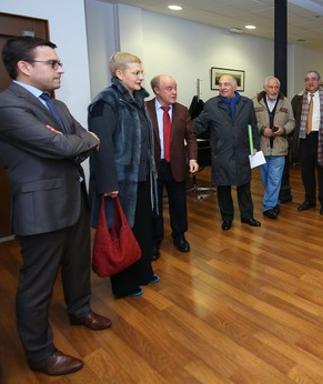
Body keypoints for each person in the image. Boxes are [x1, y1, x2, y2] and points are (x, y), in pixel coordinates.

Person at [0, 36, 110, 376]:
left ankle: (80, 310)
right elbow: (64, 146)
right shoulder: (8, 106)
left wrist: (76, 142)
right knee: (38, 284)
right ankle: (40, 352)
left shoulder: (56, 105)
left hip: (73, 198)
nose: (60, 68)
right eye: (52, 63)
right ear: (24, 67)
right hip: (42, 207)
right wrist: (75, 143)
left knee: (77, 264)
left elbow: (82, 139)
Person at [89, 52, 160, 299]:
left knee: (141, 227)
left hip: (140, 177)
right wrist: (108, 182)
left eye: (141, 72)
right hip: (118, 182)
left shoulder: (137, 100)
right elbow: (101, 145)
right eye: (136, 73)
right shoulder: (105, 102)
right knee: (120, 231)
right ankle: (124, 285)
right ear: (119, 74)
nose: (141, 77)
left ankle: (142, 272)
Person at [193, 74, 261, 230]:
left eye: (226, 84)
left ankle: (247, 216)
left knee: (244, 187)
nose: (222, 87)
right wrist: (182, 126)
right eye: (220, 84)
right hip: (221, 154)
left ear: (235, 87)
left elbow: (253, 127)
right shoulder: (210, 105)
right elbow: (198, 125)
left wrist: (256, 147)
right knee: (223, 188)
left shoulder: (247, 103)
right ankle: (227, 218)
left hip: (243, 153)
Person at [146, 75, 198, 258]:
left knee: (178, 204)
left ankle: (179, 236)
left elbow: (191, 137)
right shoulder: (144, 109)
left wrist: (192, 158)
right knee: (155, 205)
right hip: (153, 167)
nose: (174, 92)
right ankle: (155, 240)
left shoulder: (182, 111)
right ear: (156, 90)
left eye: (175, 87)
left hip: (176, 165)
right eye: (169, 88)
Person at [253, 76, 295, 219]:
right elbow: (251, 122)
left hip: (279, 147)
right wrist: (262, 129)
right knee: (266, 178)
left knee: (275, 179)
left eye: (276, 87)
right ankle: (274, 201)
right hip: (261, 148)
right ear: (265, 88)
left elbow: (292, 122)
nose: (273, 90)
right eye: (270, 87)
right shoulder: (255, 102)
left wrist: (283, 129)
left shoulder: (286, 101)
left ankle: (268, 207)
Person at [292, 70, 323, 215]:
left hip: (321, 138)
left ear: (319, 81)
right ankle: (309, 199)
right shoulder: (298, 99)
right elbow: (296, 119)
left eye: (314, 79)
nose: (310, 82)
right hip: (304, 138)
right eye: (307, 79)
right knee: (306, 172)